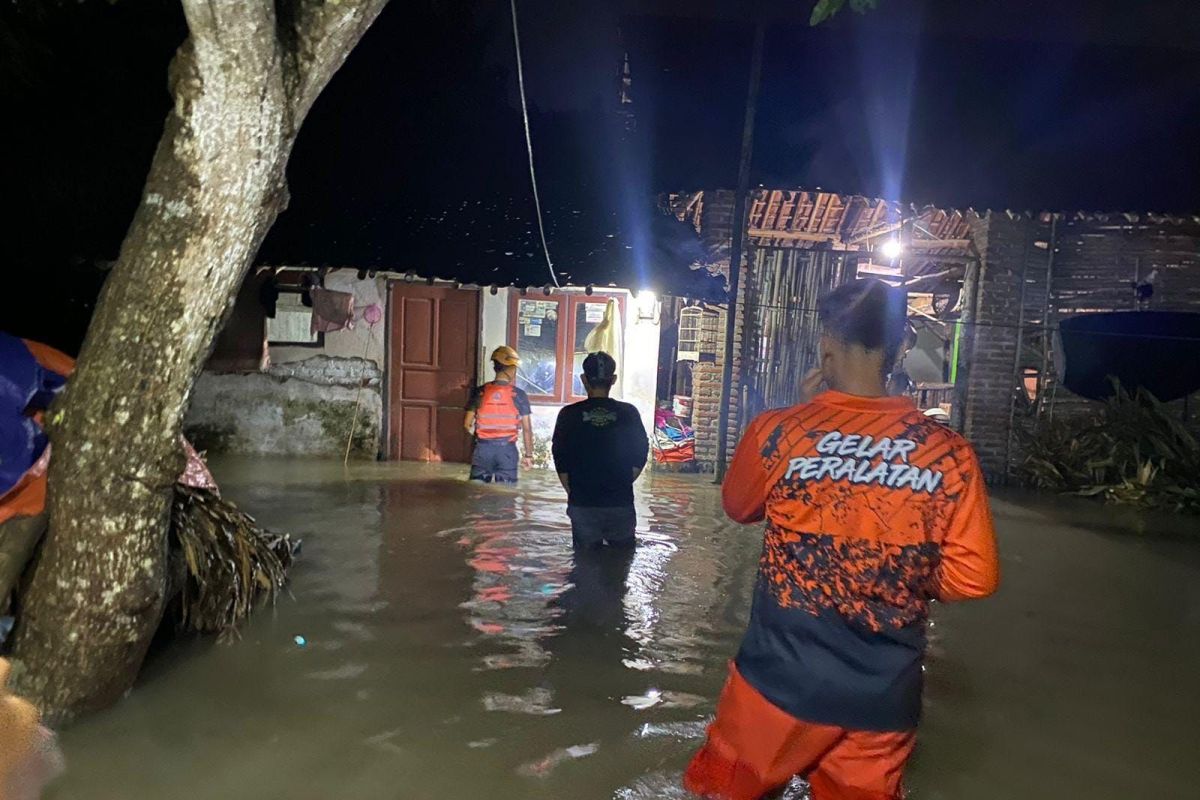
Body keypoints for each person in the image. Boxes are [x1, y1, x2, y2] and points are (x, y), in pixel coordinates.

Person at [684, 278, 999, 800]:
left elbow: (739, 508)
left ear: (825, 345)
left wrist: (804, 417)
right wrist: (902, 569)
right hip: (881, 701)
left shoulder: (779, 432)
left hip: (776, 687)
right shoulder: (948, 454)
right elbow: (975, 577)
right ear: (900, 349)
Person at [551, 351, 648, 549]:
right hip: (620, 502)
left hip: (583, 503)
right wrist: (620, 482)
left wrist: (575, 492)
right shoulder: (628, 413)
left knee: (584, 564)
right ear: (613, 380)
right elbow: (641, 452)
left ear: (584, 379)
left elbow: (560, 458)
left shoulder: (568, 414)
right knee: (621, 564)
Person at [464, 346, 534, 483]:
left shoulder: (480, 392)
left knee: (477, 494)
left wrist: (484, 437)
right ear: (511, 369)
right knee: (505, 497)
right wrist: (528, 455)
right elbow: (527, 429)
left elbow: (467, 425)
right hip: (507, 451)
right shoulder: (519, 395)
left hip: (483, 449)